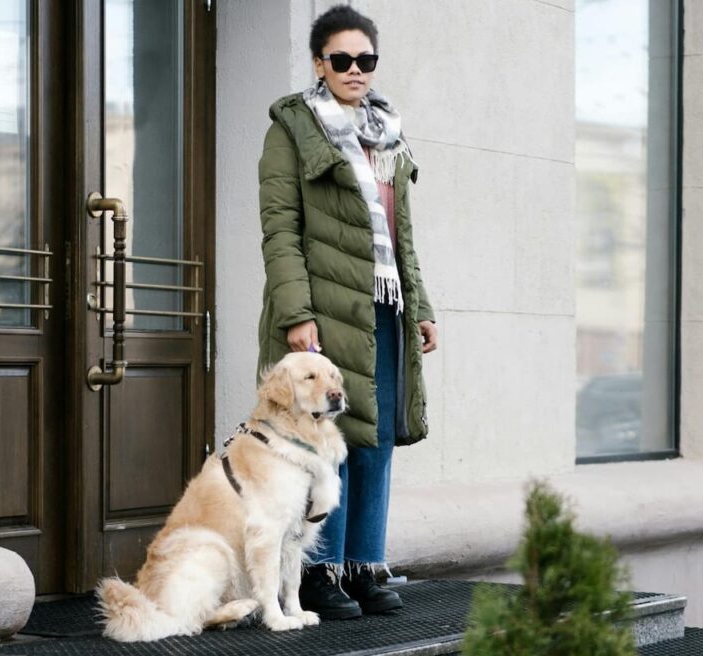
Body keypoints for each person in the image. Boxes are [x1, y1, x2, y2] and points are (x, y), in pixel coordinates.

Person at [256, 5, 438, 620]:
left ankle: (364, 565)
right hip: (324, 312)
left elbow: (400, 233)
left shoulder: (387, 132)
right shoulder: (293, 128)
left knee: (376, 437)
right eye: (342, 60)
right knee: (322, 441)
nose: (355, 70)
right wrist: (296, 314)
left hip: (384, 307)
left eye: (366, 60)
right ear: (319, 63)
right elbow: (279, 228)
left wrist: (421, 306)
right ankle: (314, 571)